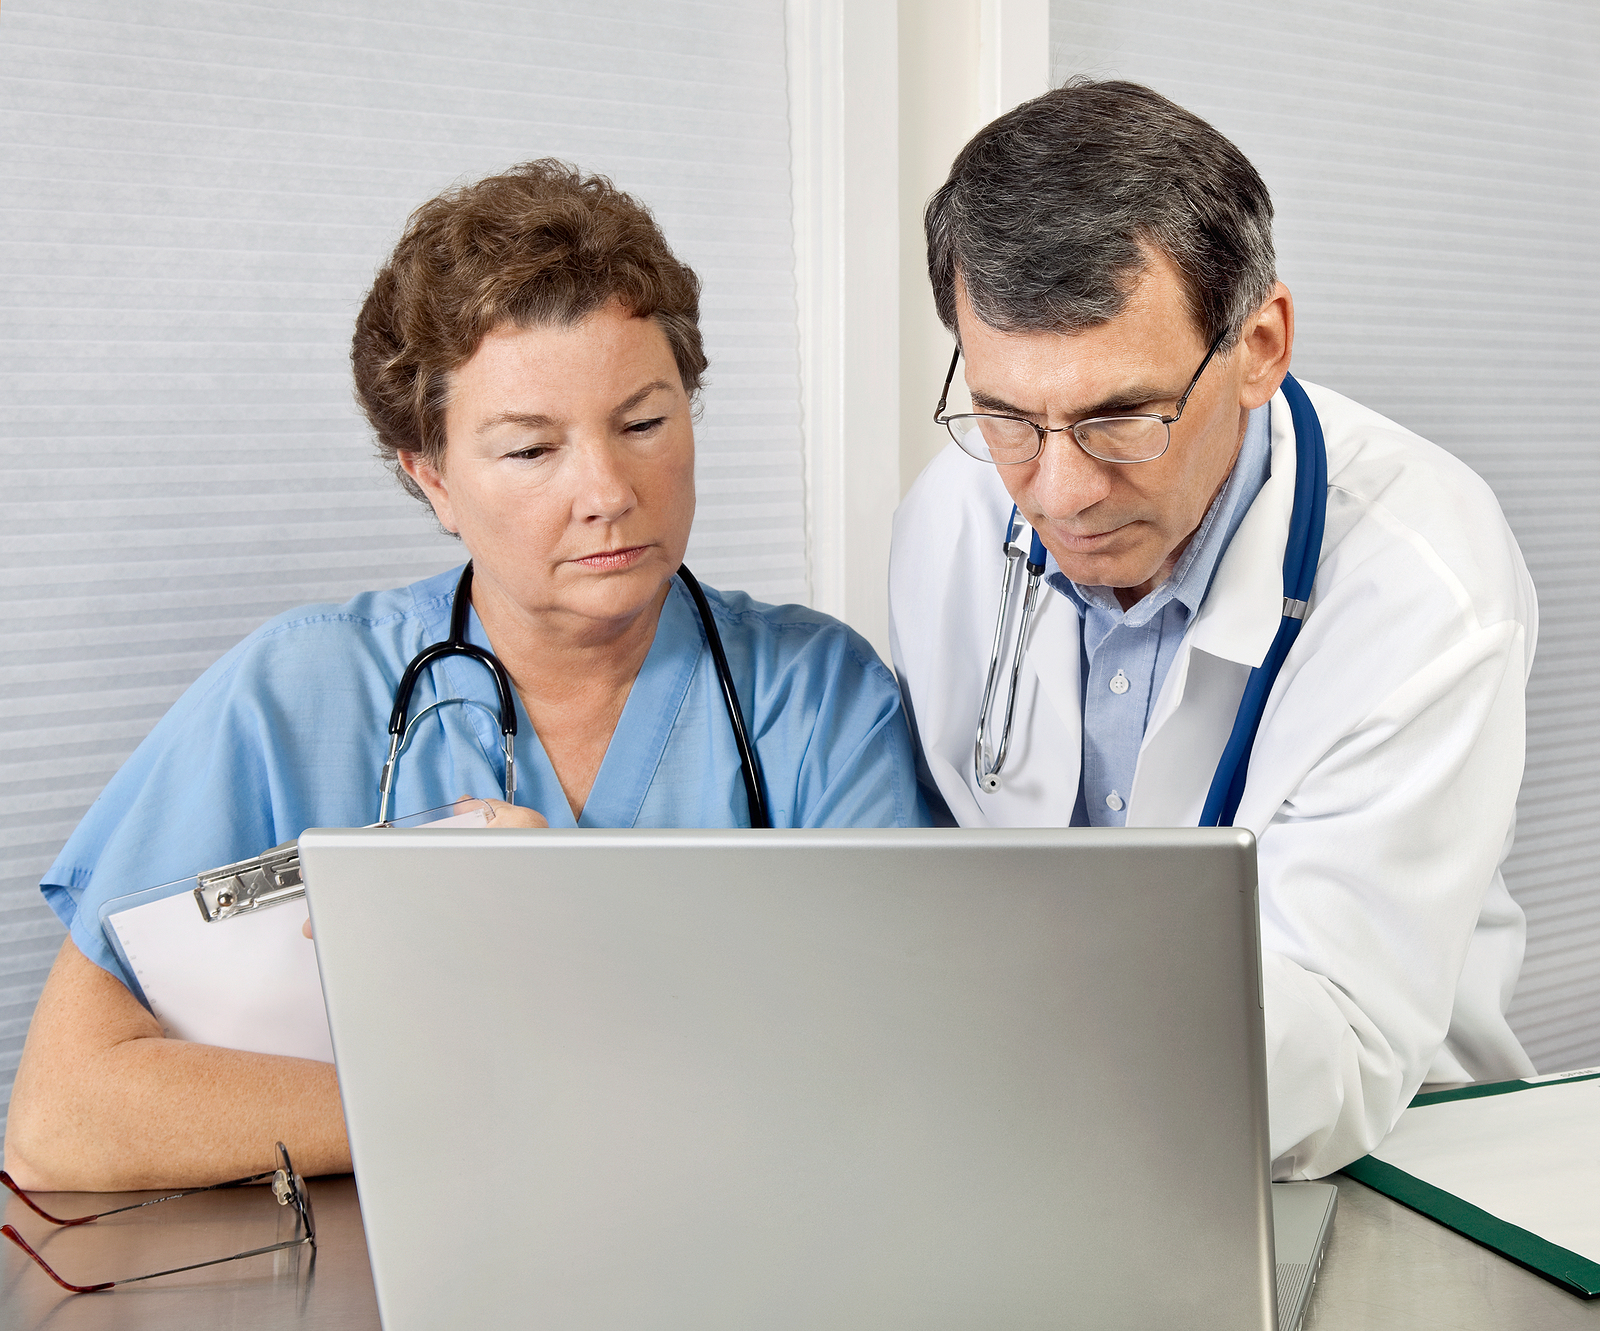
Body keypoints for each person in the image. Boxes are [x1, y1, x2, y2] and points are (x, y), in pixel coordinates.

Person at [7, 160, 925, 1193]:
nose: (608, 491)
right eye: (531, 449)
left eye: (644, 423)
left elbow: (913, 1067)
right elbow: (64, 1116)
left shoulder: (817, 699)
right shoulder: (295, 694)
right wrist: (473, 1096)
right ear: (432, 476)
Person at [889, 81, 1536, 1179]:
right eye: (1005, 414)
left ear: (1259, 345)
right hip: (1056, 1142)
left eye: (1120, 417)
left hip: (1374, 1163)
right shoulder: (952, 518)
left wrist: (1018, 985)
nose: (1059, 491)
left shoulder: (1422, 583)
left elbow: (1337, 1056)